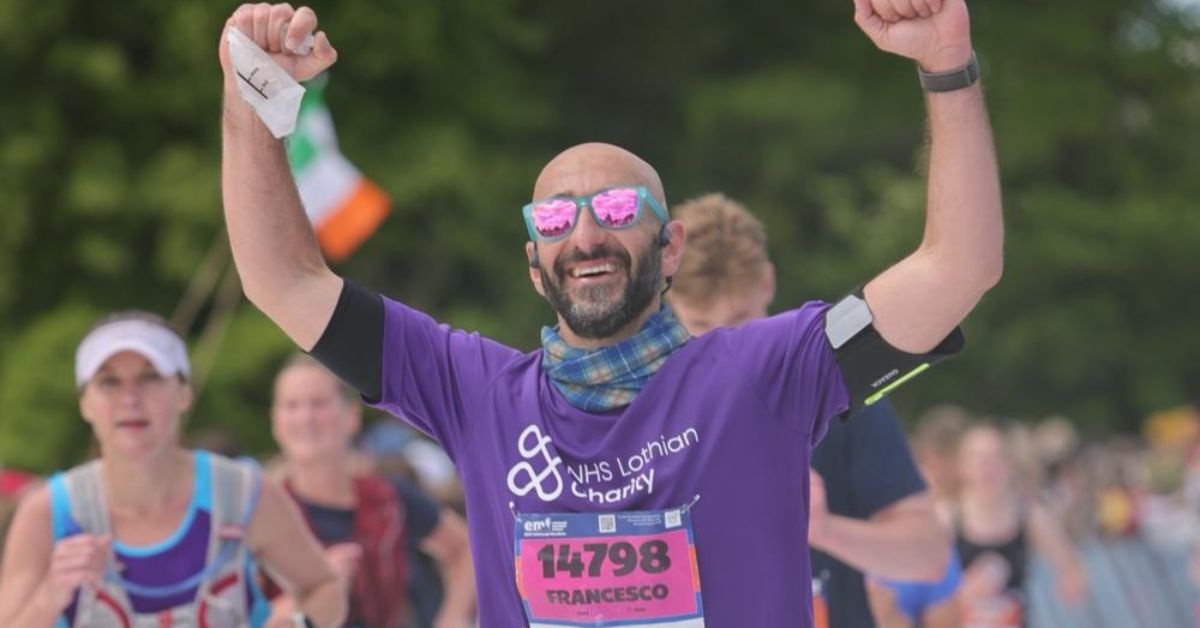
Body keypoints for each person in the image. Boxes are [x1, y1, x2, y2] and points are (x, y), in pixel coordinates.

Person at [218, 0, 1002, 623]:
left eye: (618, 207)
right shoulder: (474, 392)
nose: (586, 231)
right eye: (555, 219)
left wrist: (945, 67)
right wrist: (254, 100)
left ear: (670, 248)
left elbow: (958, 269)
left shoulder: (766, 372)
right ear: (534, 265)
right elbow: (281, 280)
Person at [668, 193, 958, 628]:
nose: (725, 346)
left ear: (767, 283)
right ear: (668, 304)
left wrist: (824, 529)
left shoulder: (831, 390)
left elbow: (929, 555)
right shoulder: (652, 410)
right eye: (702, 327)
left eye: (740, 320)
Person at [0, 311, 345, 627]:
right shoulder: (49, 512)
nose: (130, 398)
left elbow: (325, 586)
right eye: (109, 382)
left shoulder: (241, 492)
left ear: (183, 393)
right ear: (85, 403)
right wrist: (51, 595)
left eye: (150, 377)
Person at [268, 354, 476, 628]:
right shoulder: (260, 508)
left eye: (318, 404)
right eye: (291, 406)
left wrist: (453, 619)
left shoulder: (388, 498)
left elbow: (465, 548)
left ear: (351, 416)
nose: (305, 417)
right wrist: (317, 589)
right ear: (276, 420)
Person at [953, 422, 1087, 627]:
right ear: (962, 466)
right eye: (976, 457)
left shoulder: (1029, 516)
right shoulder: (946, 518)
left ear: (1008, 464)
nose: (985, 466)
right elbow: (919, 586)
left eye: (993, 457)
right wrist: (967, 590)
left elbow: (1071, 566)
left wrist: (1069, 584)